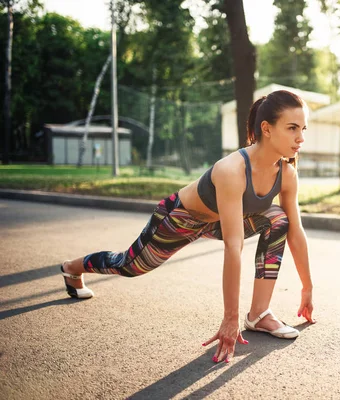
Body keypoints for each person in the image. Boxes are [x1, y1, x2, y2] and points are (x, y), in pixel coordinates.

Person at [60, 90, 315, 364]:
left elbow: (296, 232)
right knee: (129, 266)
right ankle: (72, 267)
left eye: (303, 129)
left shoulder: (287, 174)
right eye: (292, 128)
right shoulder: (232, 170)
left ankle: (259, 314)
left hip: (219, 222)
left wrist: (307, 287)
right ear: (266, 128)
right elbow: (233, 244)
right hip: (181, 218)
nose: (300, 138)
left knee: (279, 219)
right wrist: (229, 318)